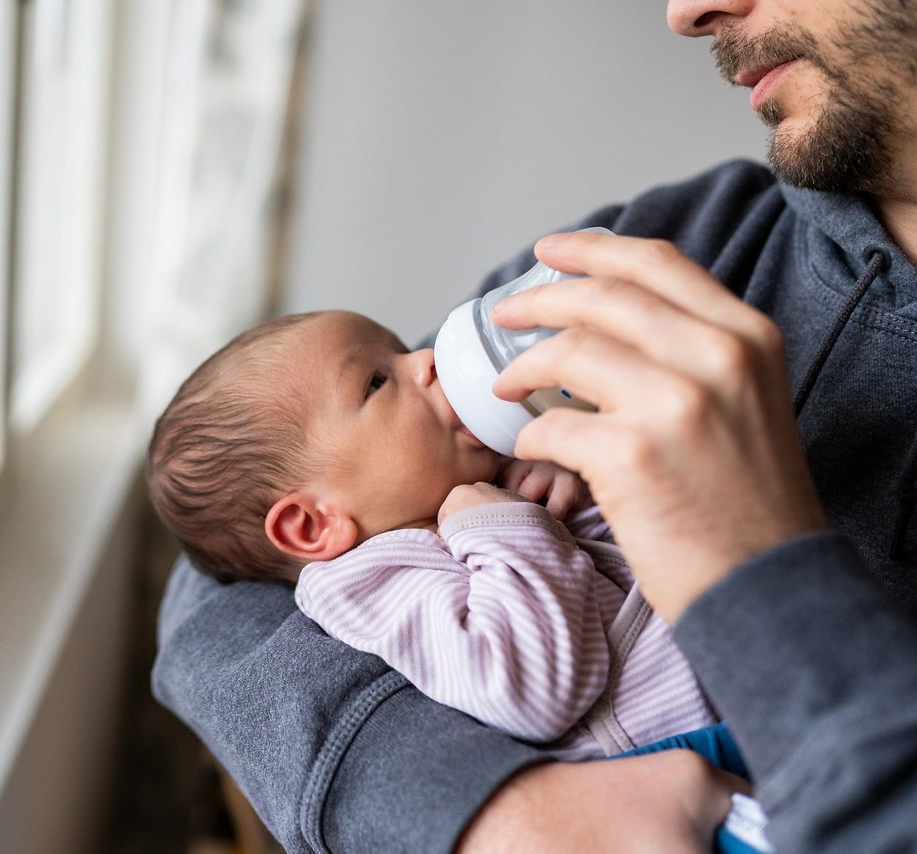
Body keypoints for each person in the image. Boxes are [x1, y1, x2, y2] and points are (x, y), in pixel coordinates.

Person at [153, 0, 917, 850]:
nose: (684, 11)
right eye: (379, 378)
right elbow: (217, 585)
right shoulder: (685, 240)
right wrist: (486, 813)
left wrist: (753, 564)